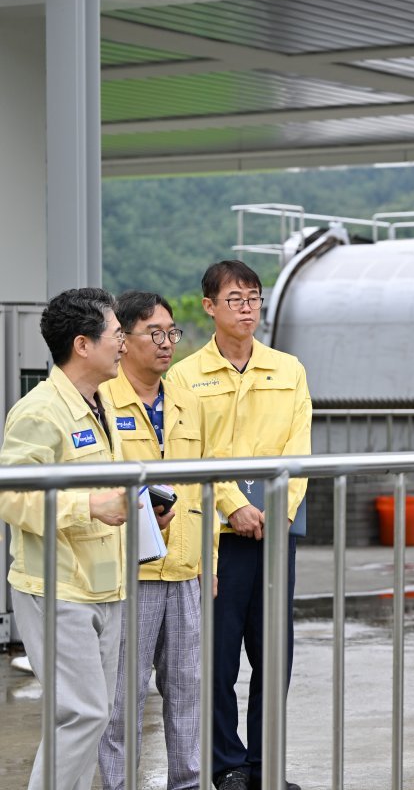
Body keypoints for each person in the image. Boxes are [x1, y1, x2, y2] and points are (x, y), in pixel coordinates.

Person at [168, 261, 311, 790]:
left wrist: (281, 510)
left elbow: (299, 448)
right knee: (219, 655)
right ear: (209, 306)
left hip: (276, 533)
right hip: (216, 536)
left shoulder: (288, 370)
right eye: (235, 299)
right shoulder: (185, 376)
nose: (247, 308)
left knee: (274, 655)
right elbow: (194, 451)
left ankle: (265, 765)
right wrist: (231, 505)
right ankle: (226, 764)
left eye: (254, 297)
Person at [0, 288, 151, 790]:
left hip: (105, 583)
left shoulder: (102, 403)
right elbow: (11, 497)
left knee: (93, 713)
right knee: (83, 713)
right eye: (116, 335)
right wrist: (88, 506)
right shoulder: (39, 412)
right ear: (83, 344)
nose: (124, 346)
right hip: (58, 586)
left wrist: (142, 512)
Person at [97, 291, 213, 790]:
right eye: (154, 333)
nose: (167, 343)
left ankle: (188, 783)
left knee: (188, 690)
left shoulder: (189, 403)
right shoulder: (103, 401)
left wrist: (209, 561)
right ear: (123, 339)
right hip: (131, 571)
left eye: (172, 333)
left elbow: (206, 486)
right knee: (123, 697)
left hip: (185, 569)